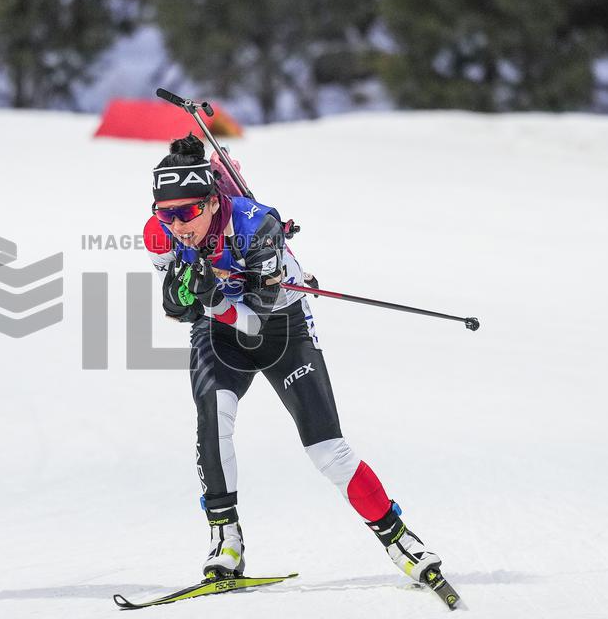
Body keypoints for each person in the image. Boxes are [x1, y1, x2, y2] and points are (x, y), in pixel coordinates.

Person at [143, 133, 444, 583]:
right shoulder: (160, 234)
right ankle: (225, 538)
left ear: (209, 203)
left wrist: (210, 298)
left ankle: (398, 538)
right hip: (218, 330)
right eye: (164, 213)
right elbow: (174, 305)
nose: (176, 225)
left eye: (185, 212)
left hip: (280, 326)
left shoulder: (257, 225)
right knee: (214, 415)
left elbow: (254, 324)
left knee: (328, 451)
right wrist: (191, 294)